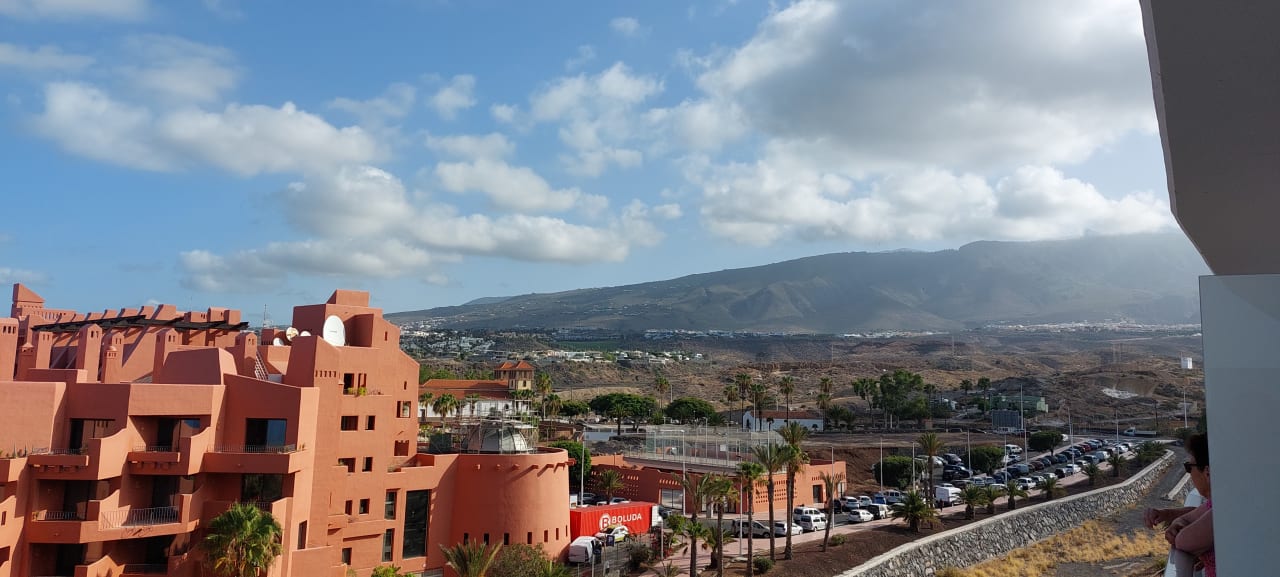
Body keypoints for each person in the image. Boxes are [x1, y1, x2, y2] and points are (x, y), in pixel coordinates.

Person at [1145, 434, 1214, 577]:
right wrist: (1175, 519)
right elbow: (1189, 517)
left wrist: (1180, 531)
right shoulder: (1213, 504)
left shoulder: (1223, 510)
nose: (1189, 473)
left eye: (1189, 467)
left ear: (1207, 473)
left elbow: (1183, 541)